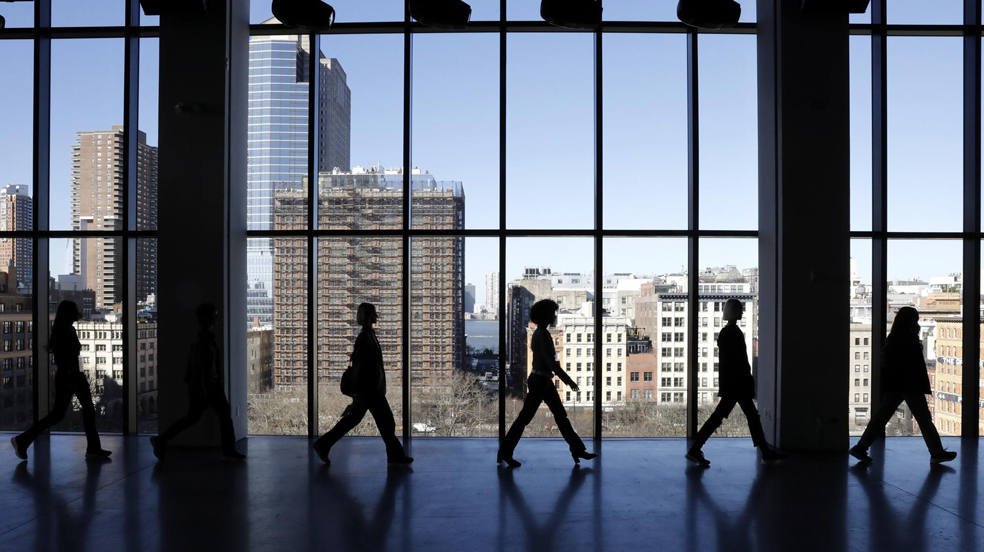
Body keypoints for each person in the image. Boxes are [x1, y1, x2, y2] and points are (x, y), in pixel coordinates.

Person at [850, 306, 957, 465]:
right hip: (909, 385)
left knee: (881, 418)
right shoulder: (907, 338)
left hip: (897, 385)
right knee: (924, 419)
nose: (917, 323)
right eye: (915, 320)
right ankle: (937, 452)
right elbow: (913, 364)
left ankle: (860, 447)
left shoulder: (895, 338)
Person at [498, 299, 597, 468]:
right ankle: (505, 452)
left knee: (552, 417)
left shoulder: (539, 333)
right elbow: (551, 363)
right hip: (540, 382)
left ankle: (577, 449)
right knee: (535, 418)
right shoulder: (542, 335)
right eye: (552, 313)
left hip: (541, 380)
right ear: (545, 316)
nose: (554, 316)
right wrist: (568, 381)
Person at [686, 298, 785, 467]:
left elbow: (730, 362)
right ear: (734, 312)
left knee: (730, 417)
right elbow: (738, 362)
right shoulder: (733, 333)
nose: (742, 312)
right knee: (746, 417)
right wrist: (746, 380)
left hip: (733, 385)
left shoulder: (727, 332)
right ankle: (765, 452)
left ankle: (695, 449)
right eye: (739, 309)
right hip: (737, 385)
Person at [313, 303, 412, 466]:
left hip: (369, 390)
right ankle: (395, 456)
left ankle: (323, 445)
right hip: (369, 390)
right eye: (373, 313)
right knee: (385, 422)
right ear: (368, 316)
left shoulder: (367, 335)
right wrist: (359, 392)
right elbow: (361, 367)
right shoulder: (365, 337)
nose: (376, 316)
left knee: (357, 421)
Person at [11, 301, 111, 460]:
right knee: (74, 412)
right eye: (74, 312)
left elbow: (67, 356)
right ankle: (93, 448)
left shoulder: (64, 330)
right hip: (71, 376)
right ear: (69, 314)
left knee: (62, 413)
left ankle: (23, 440)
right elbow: (67, 357)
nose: (77, 314)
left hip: (69, 376)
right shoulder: (65, 331)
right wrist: (75, 374)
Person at [151, 303, 244, 460]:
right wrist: (203, 388)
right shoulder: (204, 340)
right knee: (204, 417)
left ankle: (161, 440)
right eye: (214, 315)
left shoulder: (205, 338)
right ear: (208, 318)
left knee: (199, 418)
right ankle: (161, 440)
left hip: (207, 386)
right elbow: (200, 366)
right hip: (207, 386)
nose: (216, 318)